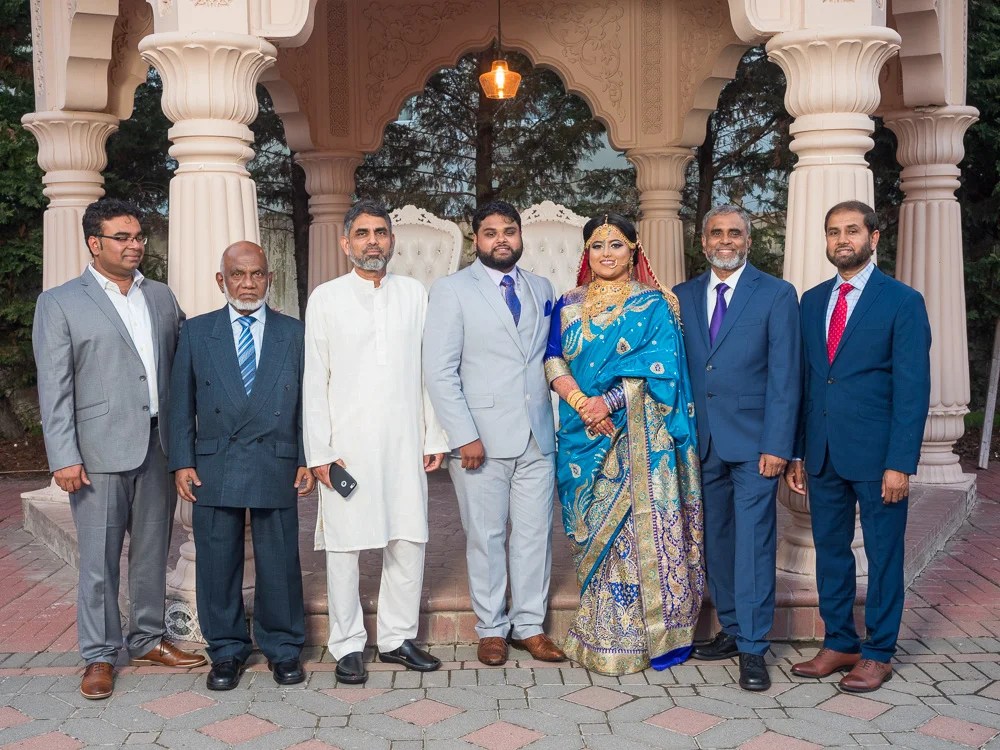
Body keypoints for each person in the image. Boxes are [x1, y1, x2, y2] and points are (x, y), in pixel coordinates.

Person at [32, 198, 205, 700]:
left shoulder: (161, 296)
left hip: (158, 445)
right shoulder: (60, 302)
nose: (135, 246)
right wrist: (63, 455)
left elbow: (189, 352)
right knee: (99, 561)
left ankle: (147, 639)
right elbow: (54, 386)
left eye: (138, 237)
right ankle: (100, 654)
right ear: (95, 243)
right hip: (96, 453)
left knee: (151, 552)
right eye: (122, 238)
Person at [543, 213, 704, 675]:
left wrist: (609, 403)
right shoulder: (567, 304)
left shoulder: (655, 304)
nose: (606, 254)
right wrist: (582, 403)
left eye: (616, 244)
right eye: (597, 245)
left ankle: (645, 635)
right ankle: (600, 629)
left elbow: (663, 368)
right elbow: (552, 359)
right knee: (591, 525)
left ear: (634, 251)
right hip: (582, 434)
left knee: (635, 531)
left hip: (639, 436)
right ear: (586, 253)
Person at [785, 200, 931, 693]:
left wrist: (900, 462)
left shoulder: (902, 301)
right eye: (833, 232)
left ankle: (879, 652)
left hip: (878, 457)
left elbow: (913, 388)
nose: (842, 239)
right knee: (831, 553)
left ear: (874, 238)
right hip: (823, 452)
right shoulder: (812, 301)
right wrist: (799, 451)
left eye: (852, 230)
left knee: (884, 556)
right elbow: (808, 382)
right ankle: (840, 642)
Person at [304, 201, 447, 685]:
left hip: (405, 439)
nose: (372, 241)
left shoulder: (414, 294)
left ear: (392, 240)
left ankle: (396, 638)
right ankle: (346, 644)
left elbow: (429, 371)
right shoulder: (325, 298)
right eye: (362, 233)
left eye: (380, 233)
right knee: (344, 547)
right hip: (347, 446)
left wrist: (433, 434)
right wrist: (320, 452)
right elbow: (314, 380)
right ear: (345, 242)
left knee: (408, 538)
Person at [424, 200, 565, 667]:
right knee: (485, 537)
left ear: (520, 236)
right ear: (476, 239)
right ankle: (491, 628)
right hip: (479, 439)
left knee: (535, 536)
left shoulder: (542, 287)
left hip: (538, 435)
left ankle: (529, 626)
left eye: (509, 230)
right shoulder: (451, 290)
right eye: (490, 232)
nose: (501, 239)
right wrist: (463, 434)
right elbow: (439, 371)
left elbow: (546, 358)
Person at [169, 241, 313, 691]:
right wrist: (182, 460)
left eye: (256, 274)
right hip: (215, 461)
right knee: (217, 560)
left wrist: (306, 458)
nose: (247, 283)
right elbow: (180, 402)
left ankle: (283, 648)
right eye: (237, 274)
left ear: (270, 278)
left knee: (280, 561)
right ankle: (227, 651)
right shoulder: (197, 332)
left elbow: (309, 403)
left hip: (277, 457)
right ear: (221, 280)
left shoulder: (294, 332)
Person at [673, 205, 801, 691]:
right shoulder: (681, 296)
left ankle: (753, 646)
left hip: (755, 445)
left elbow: (786, 375)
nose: (725, 241)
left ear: (748, 241)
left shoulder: (776, 293)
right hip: (701, 442)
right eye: (716, 233)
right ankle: (730, 627)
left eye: (734, 233)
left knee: (753, 542)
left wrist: (779, 444)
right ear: (703, 241)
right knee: (717, 540)